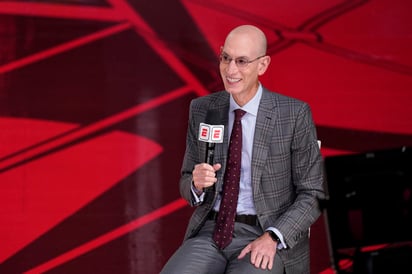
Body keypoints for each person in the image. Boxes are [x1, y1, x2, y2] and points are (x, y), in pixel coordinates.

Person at [160, 24, 325, 274]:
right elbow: (186, 181)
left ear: (263, 65)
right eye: (226, 58)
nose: (230, 70)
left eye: (242, 61)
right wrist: (196, 185)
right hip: (210, 232)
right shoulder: (203, 109)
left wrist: (273, 237)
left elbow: (313, 193)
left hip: (264, 232)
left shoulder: (292, 114)